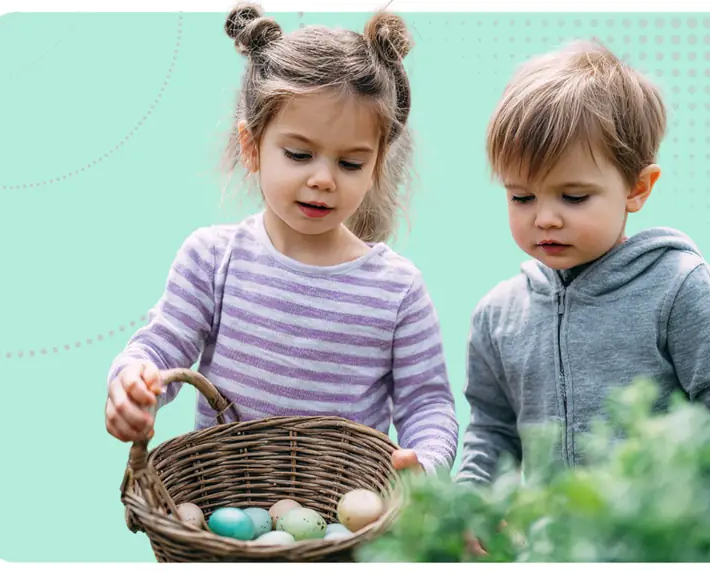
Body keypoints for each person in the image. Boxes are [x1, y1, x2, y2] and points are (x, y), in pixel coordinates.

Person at [104, 2, 459, 475]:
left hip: (341, 521)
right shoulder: (213, 259)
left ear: (376, 165)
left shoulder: (398, 290)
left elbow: (428, 405)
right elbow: (158, 348)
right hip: (225, 518)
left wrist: (425, 465)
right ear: (252, 147)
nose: (323, 179)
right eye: (298, 154)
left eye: (350, 163)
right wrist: (133, 384)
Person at [456, 39, 710, 484]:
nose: (545, 218)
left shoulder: (680, 288)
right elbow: (491, 433)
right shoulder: (498, 316)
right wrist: (473, 505)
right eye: (521, 196)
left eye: (573, 196)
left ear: (638, 188)